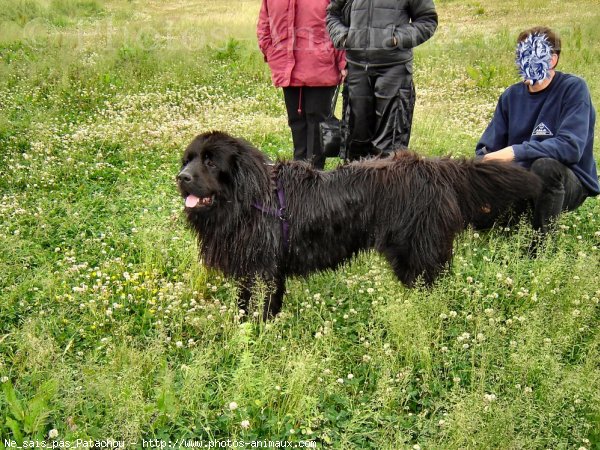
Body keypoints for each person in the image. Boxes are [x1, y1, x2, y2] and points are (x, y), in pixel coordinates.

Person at [476, 26, 598, 239]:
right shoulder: (510, 96)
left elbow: (570, 148)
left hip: (569, 179)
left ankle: (540, 245)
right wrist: (481, 179)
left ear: (552, 60)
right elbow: (486, 151)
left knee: (545, 167)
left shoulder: (573, 89)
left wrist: (516, 151)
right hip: (521, 179)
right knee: (479, 213)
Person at [326, 0, 438, 159]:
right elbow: (332, 15)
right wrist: (345, 37)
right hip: (357, 69)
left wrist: (396, 39)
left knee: (389, 147)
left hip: (394, 70)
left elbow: (428, 20)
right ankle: (356, 183)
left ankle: (387, 183)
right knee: (355, 143)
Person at [257, 0, 346, 169]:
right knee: (296, 121)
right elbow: (264, 22)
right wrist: (270, 50)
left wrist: (343, 62)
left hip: (321, 67)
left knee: (317, 123)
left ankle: (314, 175)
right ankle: (298, 174)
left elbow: (340, 22)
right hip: (287, 67)